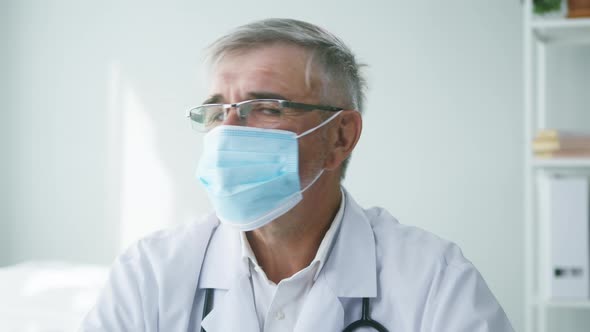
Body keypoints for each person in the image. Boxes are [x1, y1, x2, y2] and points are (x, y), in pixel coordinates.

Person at [80, 18, 514, 332]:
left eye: (266, 108)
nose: (228, 132)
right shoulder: (151, 273)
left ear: (341, 137)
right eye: (216, 111)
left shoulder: (434, 279)